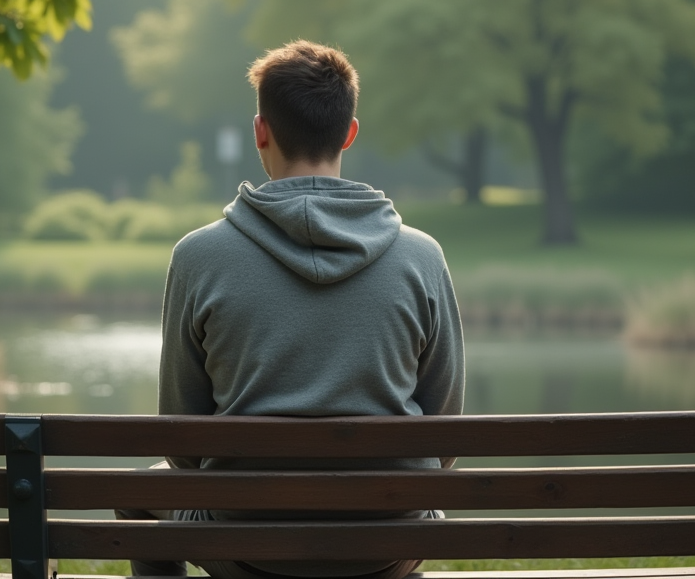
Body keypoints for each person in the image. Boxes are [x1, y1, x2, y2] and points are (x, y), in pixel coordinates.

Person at [121, 40, 465, 579]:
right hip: (386, 547)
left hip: (244, 550)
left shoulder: (198, 256)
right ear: (349, 133)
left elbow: (180, 438)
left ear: (261, 131)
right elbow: (443, 430)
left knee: (141, 489)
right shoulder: (421, 257)